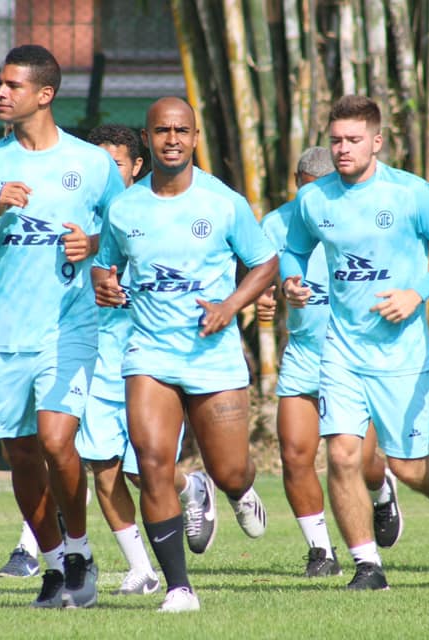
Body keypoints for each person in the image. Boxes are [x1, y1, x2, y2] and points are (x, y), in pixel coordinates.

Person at [281, 95, 429, 591]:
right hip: (341, 350)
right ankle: (368, 565)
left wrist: (419, 292)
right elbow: (293, 248)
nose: (343, 149)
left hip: (401, 353)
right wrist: (290, 279)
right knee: (344, 455)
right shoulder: (315, 199)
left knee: (408, 468)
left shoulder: (409, 193)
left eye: (353, 140)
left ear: (376, 141)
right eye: (336, 140)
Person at [0, 44, 125, 609]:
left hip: (69, 325)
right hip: (5, 330)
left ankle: (79, 552)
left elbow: (127, 231)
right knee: (22, 454)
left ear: (44, 94)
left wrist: (94, 243)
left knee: (57, 440)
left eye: (12, 85)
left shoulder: (91, 162)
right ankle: (53, 564)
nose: (0, 93)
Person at [93, 96, 277, 612]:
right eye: (161, 130)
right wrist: (104, 284)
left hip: (212, 357)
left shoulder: (223, 202)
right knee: (152, 462)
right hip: (148, 354)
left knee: (230, 468)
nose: (171, 138)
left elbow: (265, 263)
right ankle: (178, 587)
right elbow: (104, 266)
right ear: (147, 139)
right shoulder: (124, 207)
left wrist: (229, 306)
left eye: (181, 130)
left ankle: (236, 492)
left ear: (195, 138)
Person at [260, 146, 402, 578]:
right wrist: (265, 295)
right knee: (295, 454)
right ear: (296, 183)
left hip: (356, 355)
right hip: (303, 354)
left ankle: (381, 492)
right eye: (306, 190)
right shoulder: (276, 224)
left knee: (362, 462)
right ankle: (321, 551)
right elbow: (258, 273)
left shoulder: (362, 219)